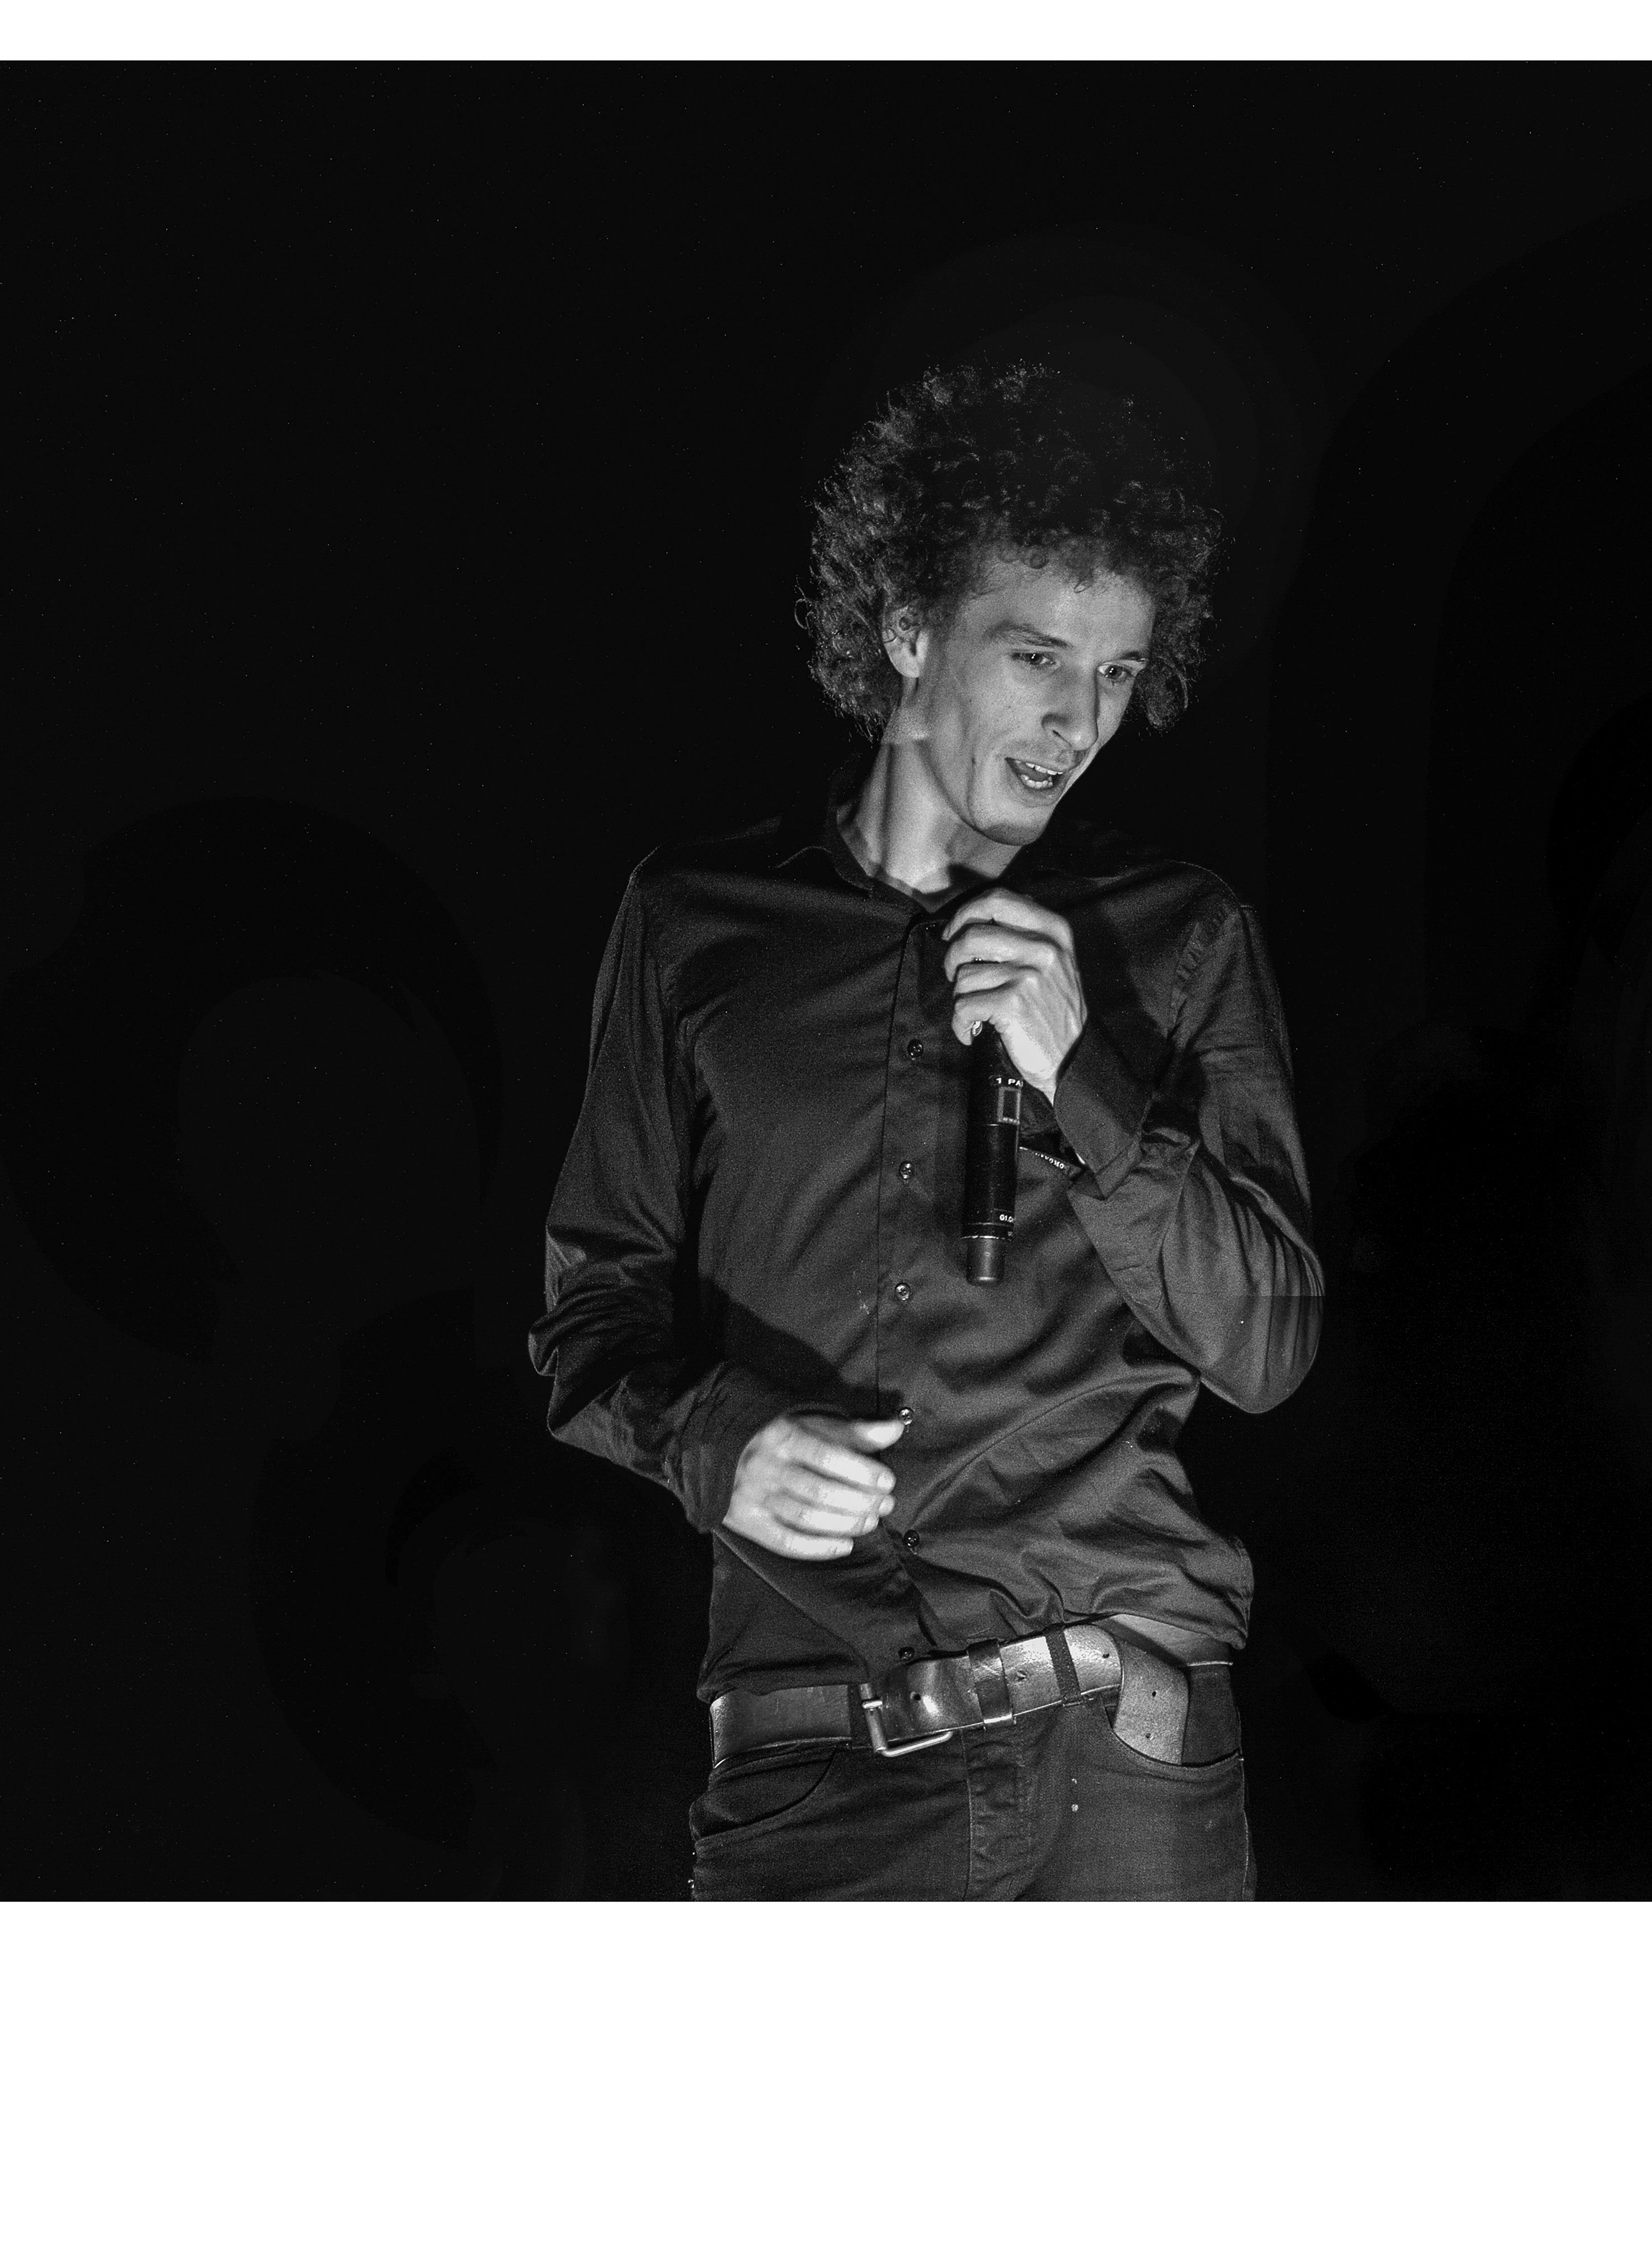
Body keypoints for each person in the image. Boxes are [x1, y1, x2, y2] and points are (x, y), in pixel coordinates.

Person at [528, 360, 1323, 1898]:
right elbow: (586, 1321)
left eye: (1118, 672)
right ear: (907, 632)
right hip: (806, 1764)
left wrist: (1084, 1071)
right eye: (1037, 657)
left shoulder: (1177, 938)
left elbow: (1269, 1344)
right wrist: (718, 1441)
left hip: (1112, 1747)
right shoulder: (697, 926)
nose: (1079, 720)